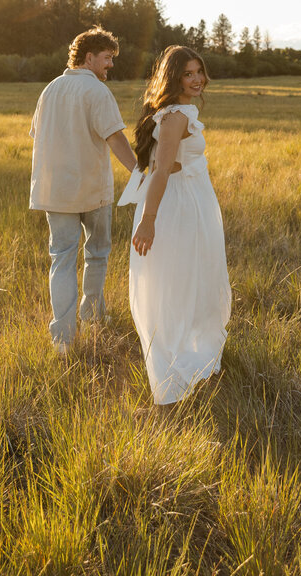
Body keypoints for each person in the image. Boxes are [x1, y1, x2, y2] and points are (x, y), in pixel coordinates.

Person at [119, 45, 231, 405]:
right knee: (177, 281)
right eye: (188, 74)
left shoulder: (179, 111)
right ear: (174, 77)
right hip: (178, 206)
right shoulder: (175, 116)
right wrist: (148, 221)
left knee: (193, 277)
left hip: (193, 201)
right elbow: (162, 169)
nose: (197, 79)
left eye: (199, 71)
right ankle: (174, 366)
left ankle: (190, 350)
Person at [29, 27, 139, 354]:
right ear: (88, 57)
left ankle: (62, 339)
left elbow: (39, 135)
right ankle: (91, 318)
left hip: (55, 192)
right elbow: (115, 138)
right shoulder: (96, 92)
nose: (111, 65)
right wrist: (140, 174)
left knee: (61, 261)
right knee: (97, 253)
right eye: (107, 58)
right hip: (92, 189)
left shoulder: (50, 89)